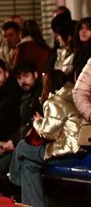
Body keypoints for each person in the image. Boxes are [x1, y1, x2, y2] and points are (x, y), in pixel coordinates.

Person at [9, 69, 84, 207]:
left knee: (22, 146)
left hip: (66, 148)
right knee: (29, 165)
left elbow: (49, 132)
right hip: (78, 145)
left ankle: (14, 179)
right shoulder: (71, 95)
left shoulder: (55, 100)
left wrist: (37, 121)